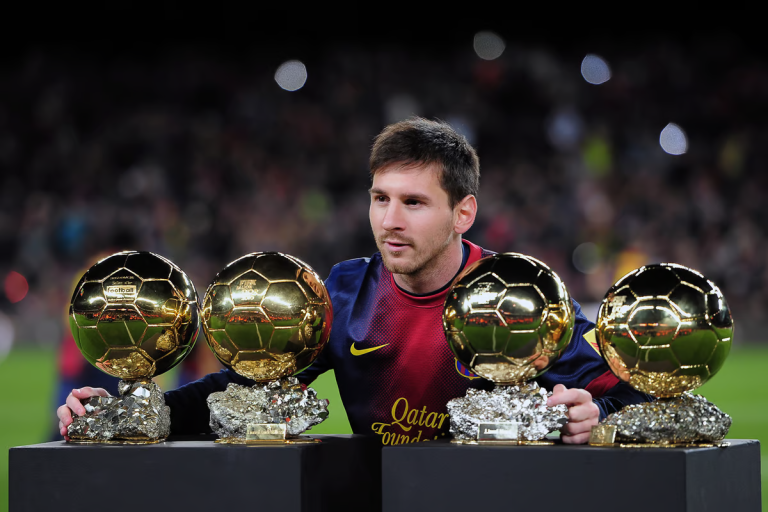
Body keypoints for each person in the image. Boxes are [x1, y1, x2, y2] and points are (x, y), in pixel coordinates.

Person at [58, 118, 651, 445]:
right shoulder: (345, 293)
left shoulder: (517, 295)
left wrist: (594, 415)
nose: (390, 221)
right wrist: (130, 412)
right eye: (380, 198)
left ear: (463, 213)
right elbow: (241, 389)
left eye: (414, 202)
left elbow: (639, 394)